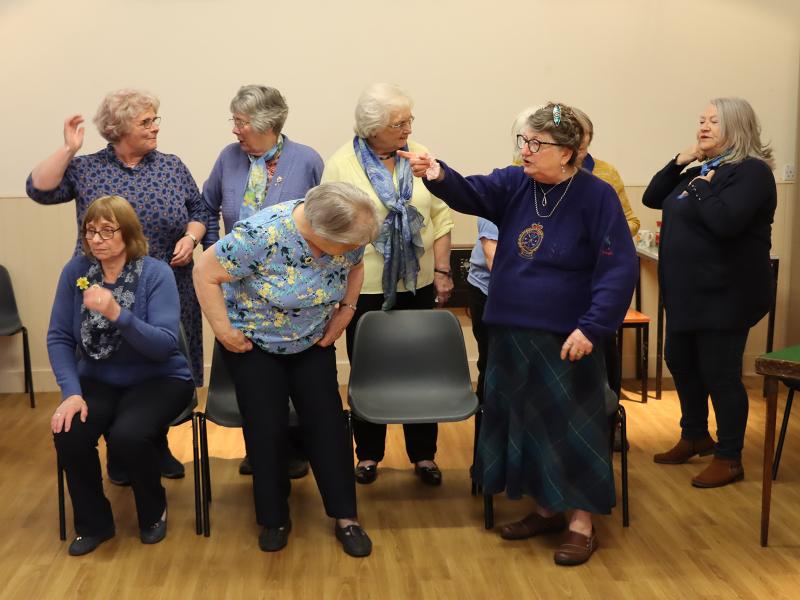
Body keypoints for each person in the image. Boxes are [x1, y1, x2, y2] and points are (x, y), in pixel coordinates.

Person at [401, 102, 637, 566]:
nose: (525, 150)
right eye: (523, 141)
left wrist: (593, 327)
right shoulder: (514, 183)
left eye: (536, 143)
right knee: (526, 424)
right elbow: (470, 192)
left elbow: (618, 268)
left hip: (568, 337)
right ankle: (546, 509)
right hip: (511, 330)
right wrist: (437, 172)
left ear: (566, 152)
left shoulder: (597, 196)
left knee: (572, 429)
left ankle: (581, 524)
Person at [27, 88, 208, 482]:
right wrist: (69, 149)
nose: (155, 127)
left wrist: (191, 237)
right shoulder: (87, 168)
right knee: (109, 364)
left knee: (157, 364)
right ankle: (121, 451)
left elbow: (199, 210)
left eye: (155, 119)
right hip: (104, 285)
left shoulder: (171, 166)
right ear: (119, 128)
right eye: (146, 122)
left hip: (164, 283)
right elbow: (38, 190)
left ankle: (153, 444)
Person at [193, 182, 379, 557]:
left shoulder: (350, 235)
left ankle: (346, 516)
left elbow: (356, 267)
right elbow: (204, 273)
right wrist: (224, 332)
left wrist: (345, 312)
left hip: (312, 340)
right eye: (347, 245)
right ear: (322, 233)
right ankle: (274, 518)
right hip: (255, 345)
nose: (354, 249)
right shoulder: (261, 235)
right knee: (267, 429)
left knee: (328, 425)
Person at [321, 83, 454, 487]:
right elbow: (329, 229)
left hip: (418, 283)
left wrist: (444, 270)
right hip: (363, 289)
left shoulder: (420, 155)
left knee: (422, 368)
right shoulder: (341, 165)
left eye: (409, 120)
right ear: (373, 127)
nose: (408, 129)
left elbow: (441, 215)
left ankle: (424, 454)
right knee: (369, 371)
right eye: (399, 123)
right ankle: (369, 454)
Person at [49, 196, 194, 556]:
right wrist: (71, 392)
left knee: (128, 435)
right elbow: (60, 337)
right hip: (99, 378)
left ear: (127, 233)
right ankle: (94, 523)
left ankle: (153, 510)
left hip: (160, 378)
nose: (96, 239)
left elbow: (163, 346)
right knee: (69, 431)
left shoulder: (155, 273)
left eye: (107, 231)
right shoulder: (77, 272)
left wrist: (117, 313)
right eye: (90, 231)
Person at [645, 98, 776, 488]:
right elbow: (653, 197)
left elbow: (725, 222)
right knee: (680, 360)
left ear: (736, 127)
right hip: (688, 292)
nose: (703, 126)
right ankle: (695, 435)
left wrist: (702, 188)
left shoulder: (752, 172)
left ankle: (729, 456)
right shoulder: (700, 169)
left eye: (713, 122)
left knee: (720, 373)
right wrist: (679, 162)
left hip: (727, 293)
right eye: (701, 120)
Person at [202, 84, 324, 480]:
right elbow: (206, 207)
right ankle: (260, 451)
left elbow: (324, 222)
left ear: (267, 123)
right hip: (239, 293)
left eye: (241, 122)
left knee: (294, 376)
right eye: (234, 121)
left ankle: (294, 449)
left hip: (294, 292)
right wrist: (213, 252)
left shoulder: (307, 160)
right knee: (252, 378)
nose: (235, 130)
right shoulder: (228, 158)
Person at [572, 106, 639, 450]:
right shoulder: (537, 170)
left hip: (597, 283)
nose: (580, 145)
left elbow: (631, 221)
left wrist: (607, 234)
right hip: (564, 283)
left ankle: (609, 428)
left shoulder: (606, 173)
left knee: (605, 356)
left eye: (585, 139)